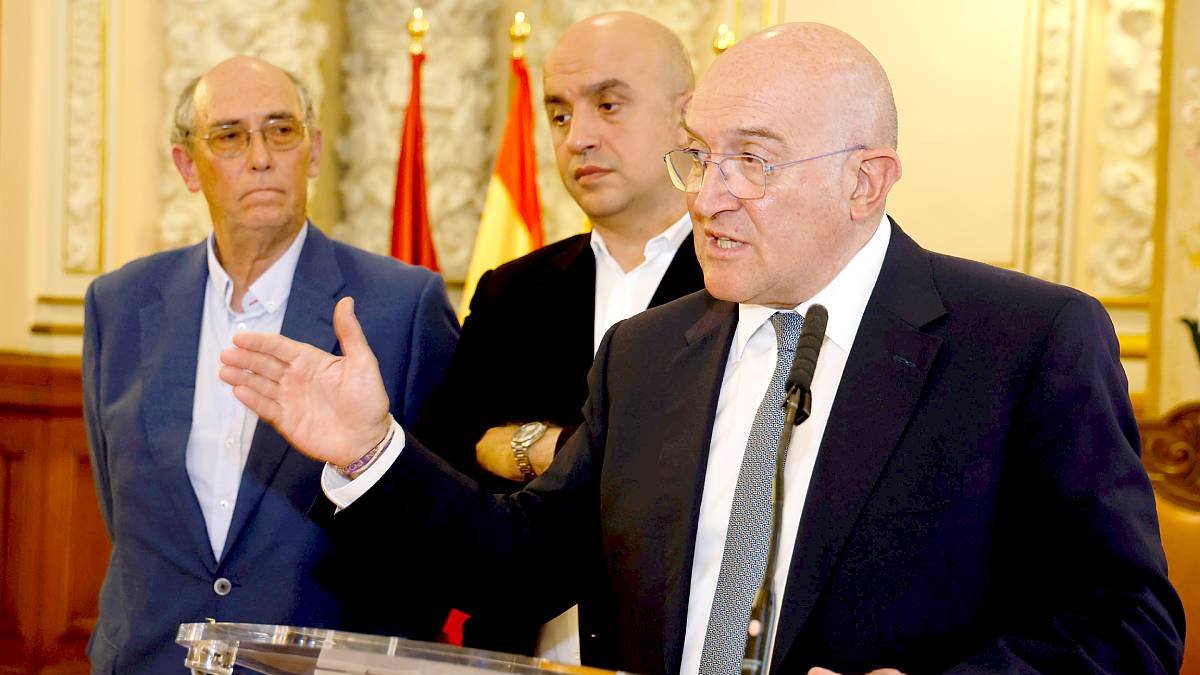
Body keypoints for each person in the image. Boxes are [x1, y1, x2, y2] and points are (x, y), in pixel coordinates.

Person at [219, 24, 1185, 675]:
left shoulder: (1022, 343)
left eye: (752, 161)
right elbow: (518, 564)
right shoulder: (646, 355)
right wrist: (367, 450)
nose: (706, 194)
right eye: (699, 153)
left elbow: (1128, 624)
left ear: (866, 182)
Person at [82, 56, 458, 675]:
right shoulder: (119, 304)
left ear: (311, 152)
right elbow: (119, 508)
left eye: (281, 131)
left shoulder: (400, 307)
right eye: (229, 136)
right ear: (187, 166)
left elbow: (436, 528)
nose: (259, 157)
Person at [411, 11, 703, 658]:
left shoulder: (739, 288)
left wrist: (537, 447)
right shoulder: (514, 293)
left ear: (687, 117)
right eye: (561, 113)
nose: (578, 137)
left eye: (608, 104)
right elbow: (450, 461)